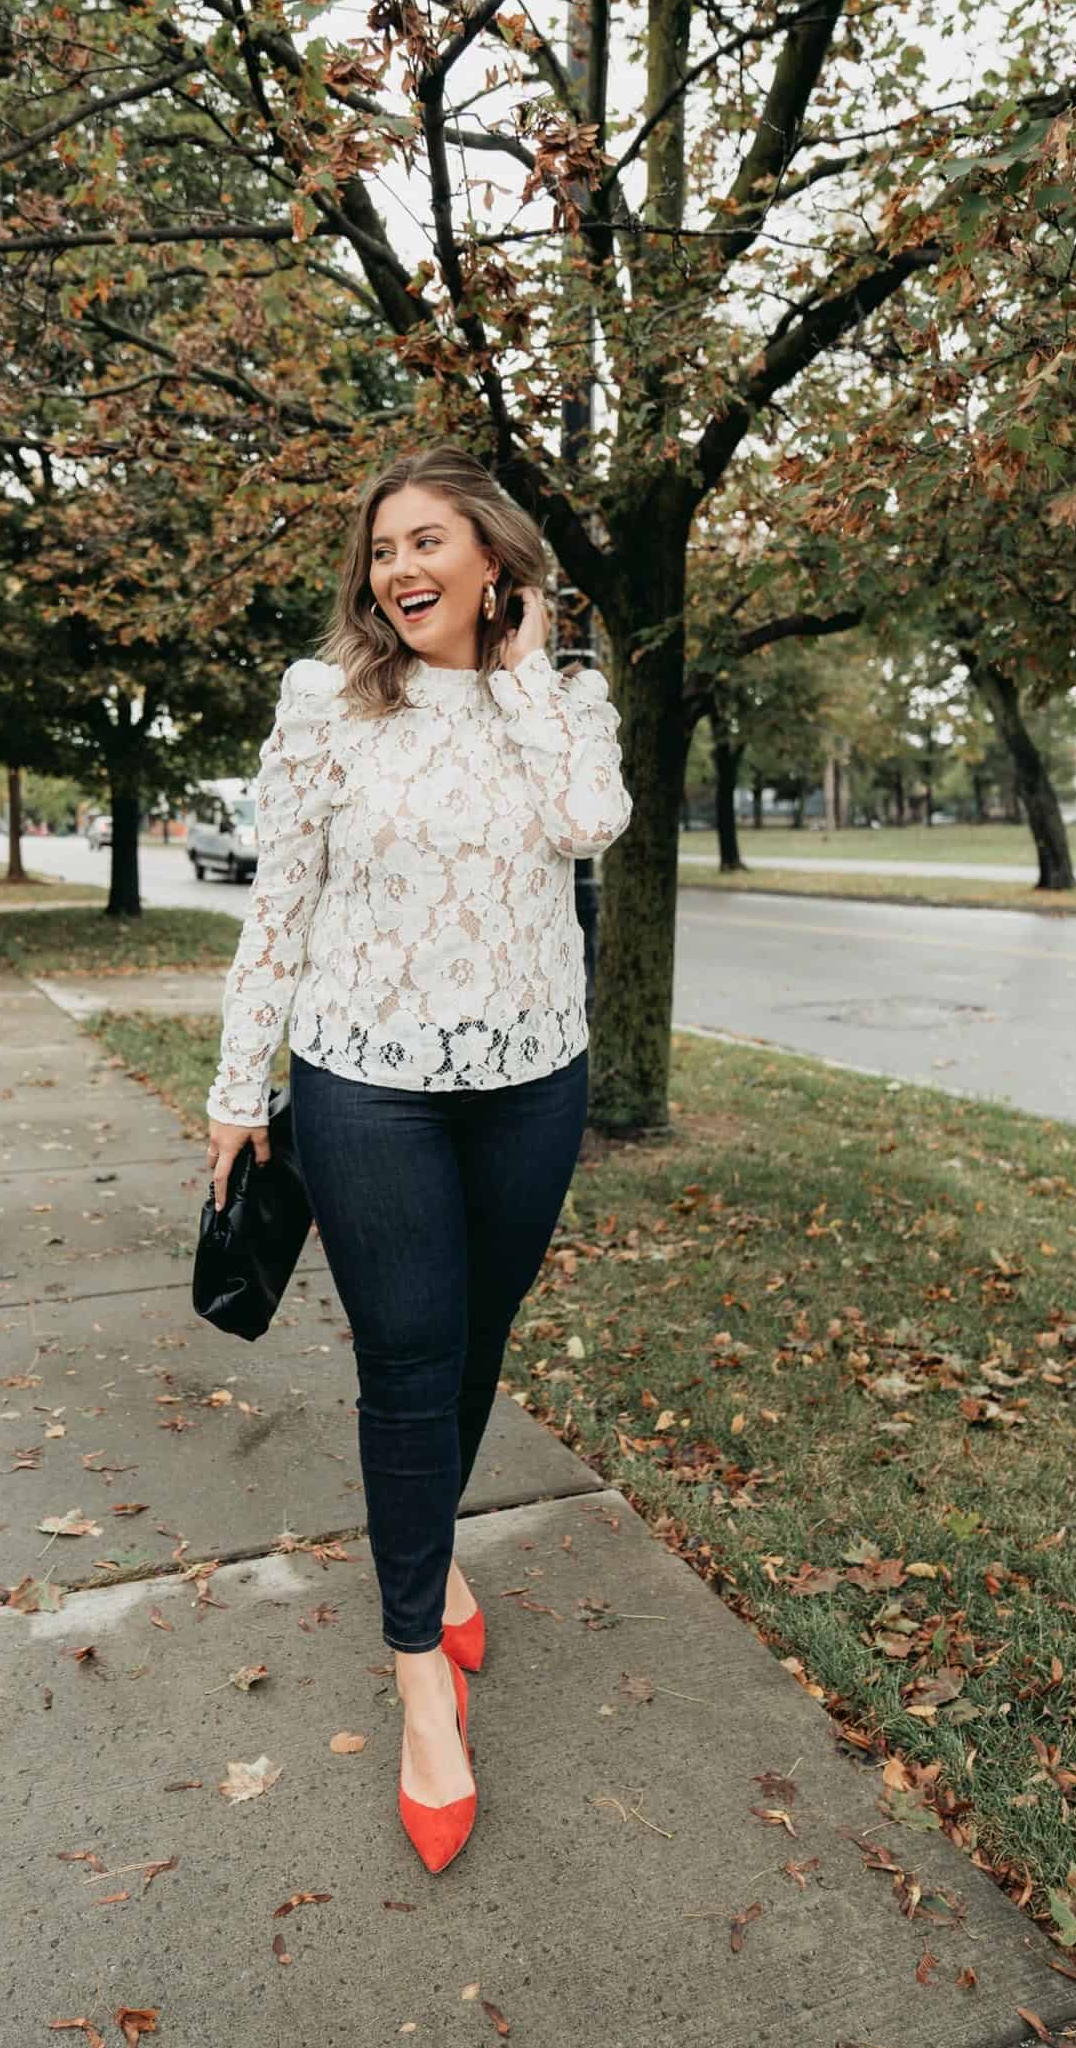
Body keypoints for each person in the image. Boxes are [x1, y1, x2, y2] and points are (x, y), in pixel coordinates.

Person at [204, 444, 633, 1873]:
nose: (399, 567)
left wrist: (520, 676)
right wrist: (236, 1079)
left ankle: (429, 1545)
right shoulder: (323, 700)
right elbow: (283, 896)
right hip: (363, 1079)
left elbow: (591, 824)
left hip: (530, 1078)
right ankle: (418, 1684)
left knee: (473, 1343)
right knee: (404, 1363)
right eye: (383, 546)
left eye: (429, 540)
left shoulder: (563, 700)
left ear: (493, 562)